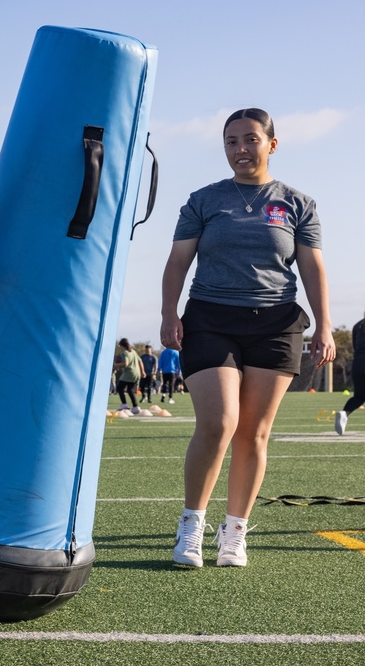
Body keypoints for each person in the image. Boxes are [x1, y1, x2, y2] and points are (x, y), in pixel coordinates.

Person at [160, 108, 335, 568]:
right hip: (211, 319)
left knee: (254, 433)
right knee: (219, 423)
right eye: (231, 141)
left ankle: (234, 531)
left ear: (271, 144)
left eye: (251, 139)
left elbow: (313, 268)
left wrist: (324, 325)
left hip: (276, 324)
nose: (241, 149)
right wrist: (167, 313)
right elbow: (178, 262)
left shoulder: (298, 203)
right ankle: (192, 524)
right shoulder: (203, 200)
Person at [335, 313, 365, 435]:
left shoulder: (358, 325)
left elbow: (355, 346)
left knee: (359, 397)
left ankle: (344, 413)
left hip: (358, 364)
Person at [114, 338, 144, 414]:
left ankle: (124, 404)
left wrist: (116, 365)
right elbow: (140, 361)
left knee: (119, 387)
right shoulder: (133, 351)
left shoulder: (124, 352)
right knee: (130, 390)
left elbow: (126, 363)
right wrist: (143, 371)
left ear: (122, 345)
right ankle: (135, 407)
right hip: (137, 373)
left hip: (129, 372)